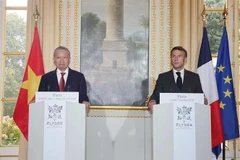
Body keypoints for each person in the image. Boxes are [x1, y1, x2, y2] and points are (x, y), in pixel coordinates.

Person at [148, 46, 207, 111]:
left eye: (179, 56)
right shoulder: (163, 77)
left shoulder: (194, 77)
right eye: (173, 56)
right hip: (168, 116)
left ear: (185, 59)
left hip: (188, 117)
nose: (176, 59)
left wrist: (203, 100)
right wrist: (152, 101)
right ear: (171, 59)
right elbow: (156, 94)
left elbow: (200, 95)